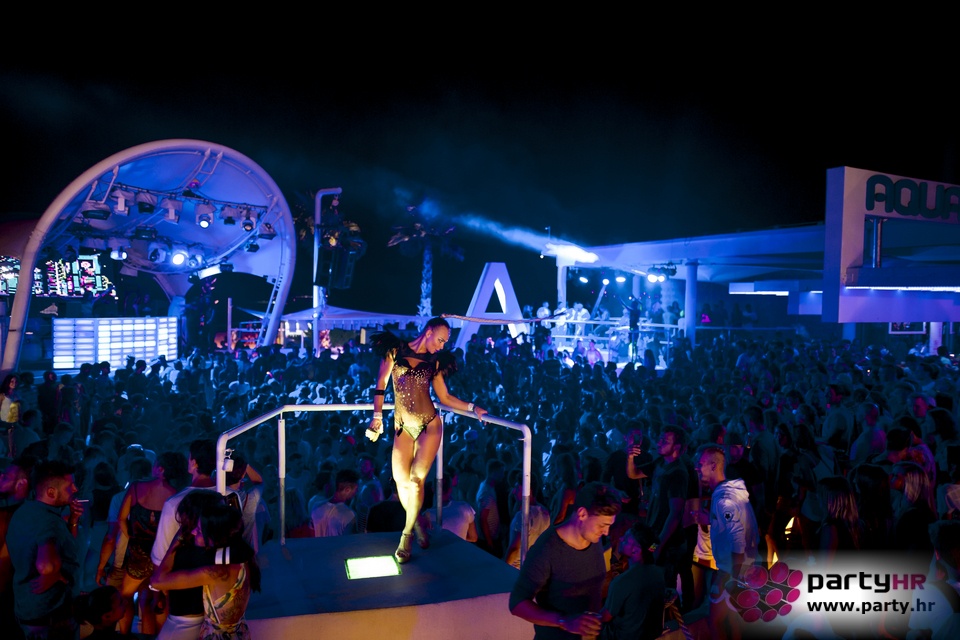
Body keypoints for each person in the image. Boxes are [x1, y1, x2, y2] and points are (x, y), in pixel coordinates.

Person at [367, 317, 487, 563]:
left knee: (416, 481)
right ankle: (418, 522)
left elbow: (445, 397)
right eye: (440, 340)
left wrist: (473, 407)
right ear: (429, 331)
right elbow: (381, 383)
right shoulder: (395, 350)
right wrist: (377, 417)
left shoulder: (435, 361)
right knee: (400, 482)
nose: (442, 346)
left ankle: (406, 535)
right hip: (402, 426)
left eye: (445, 342)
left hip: (429, 425)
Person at [509, 481, 622, 639]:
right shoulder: (546, 550)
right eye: (602, 525)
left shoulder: (592, 538)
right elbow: (516, 603)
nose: (606, 532)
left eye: (609, 525)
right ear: (582, 514)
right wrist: (564, 621)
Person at [149, 496, 259, 640]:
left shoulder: (216, 572)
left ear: (216, 537)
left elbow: (157, 582)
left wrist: (178, 538)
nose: (194, 532)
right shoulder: (243, 556)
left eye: (200, 531)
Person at [0, 459, 85, 640]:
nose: (76, 489)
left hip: (28, 608)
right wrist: (59, 575)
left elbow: (61, 545)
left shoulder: (25, 511)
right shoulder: (50, 523)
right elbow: (46, 566)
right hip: (52, 616)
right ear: (51, 492)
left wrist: (73, 521)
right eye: (70, 486)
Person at [693, 445, 759, 640]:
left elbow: (737, 539)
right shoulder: (732, 493)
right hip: (746, 566)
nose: (696, 468)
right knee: (732, 620)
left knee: (715, 621)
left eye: (700, 464)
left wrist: (733, 578)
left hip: (732, 571)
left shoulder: (724, 499)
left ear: (713, 466)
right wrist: (711, 520)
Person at [599, 521, 666, 640]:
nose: (620, 539)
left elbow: (605, 617)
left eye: (625, 539)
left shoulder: (621, 582)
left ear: (636, 551)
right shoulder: (659, 573)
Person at [310, 468, 359, 537]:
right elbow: (349, 542)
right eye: (356, 489)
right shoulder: (350, 515)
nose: (357, 492)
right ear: (347, 490)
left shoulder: (316, 506)